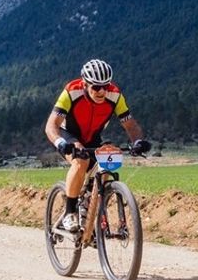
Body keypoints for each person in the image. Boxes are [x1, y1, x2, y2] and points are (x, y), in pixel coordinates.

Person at [45, 59, 151, 231]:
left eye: (105, 86)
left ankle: (89, 208)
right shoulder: (72, 91)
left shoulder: (115, 95)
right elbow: (51, 125)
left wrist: (137, 142)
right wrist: (60, 142)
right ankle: (70, 212)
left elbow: (130, 125)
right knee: (81, 160)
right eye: (95, 87)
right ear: (85, 84)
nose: (101, 91)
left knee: (106, 168)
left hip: (93, 137)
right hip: (69, 135)